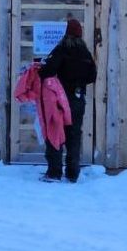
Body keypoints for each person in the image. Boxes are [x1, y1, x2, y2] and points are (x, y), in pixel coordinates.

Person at [38, 18, 97, 182]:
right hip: (78, 99)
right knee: (74, 135)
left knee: (55, 131)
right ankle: (73, 173)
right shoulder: (85, 52)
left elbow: (47, 71)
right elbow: (92, 76)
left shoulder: (62, 49)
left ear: (67, 33)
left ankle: (54, 172)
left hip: (60, 99)